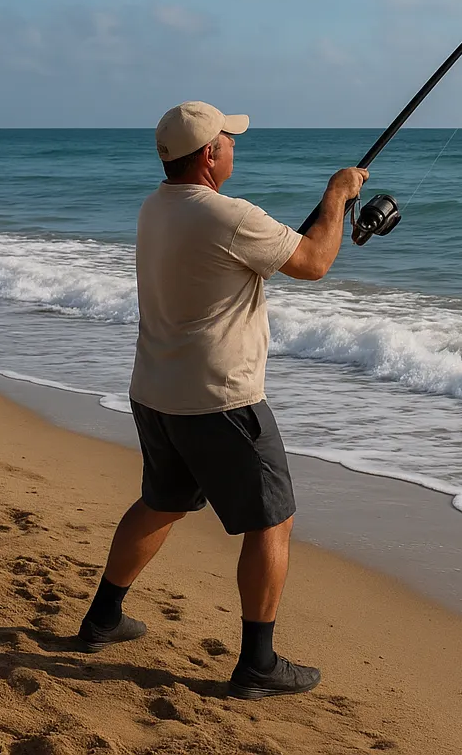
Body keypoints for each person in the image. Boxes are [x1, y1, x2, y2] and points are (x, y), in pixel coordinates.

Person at [77, 100, 367, 700]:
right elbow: (312, 262)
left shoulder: (156, 209)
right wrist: (337, 195)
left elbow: (239, 254)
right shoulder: (228, 217)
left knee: (162, 501)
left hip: (156, 391)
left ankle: (103, 617)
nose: (235, 146)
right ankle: (258, 663)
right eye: (229, 140)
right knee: (272, 521)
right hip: (221, 400)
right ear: (210, 154)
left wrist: (306, 221)